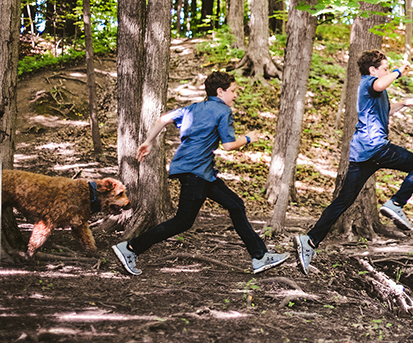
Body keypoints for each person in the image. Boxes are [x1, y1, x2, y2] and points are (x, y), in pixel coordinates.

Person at [112, 71, 289, 276]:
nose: (235, 95)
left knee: (235, 204)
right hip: (196, 172)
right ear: (220, 91)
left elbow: (163, 119)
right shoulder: (223, 111)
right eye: (233, 91)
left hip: (202, 173)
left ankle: (260, 256)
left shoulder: (193, 108)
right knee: (182, 221)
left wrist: (148, 141)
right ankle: (130, 248)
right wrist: (248, 138)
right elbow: (230, 145)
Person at [295, 50, 413, 274]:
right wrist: (398, 71)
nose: (387, 72)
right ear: (372, 70)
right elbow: (380, 84)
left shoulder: (376, 91)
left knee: (343, 201)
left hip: (362, 154)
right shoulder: (369, 83)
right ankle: (395, 204)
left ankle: (309, 241)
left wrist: (404, 103)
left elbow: (385, 112)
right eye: (384, 68)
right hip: (375, 147)